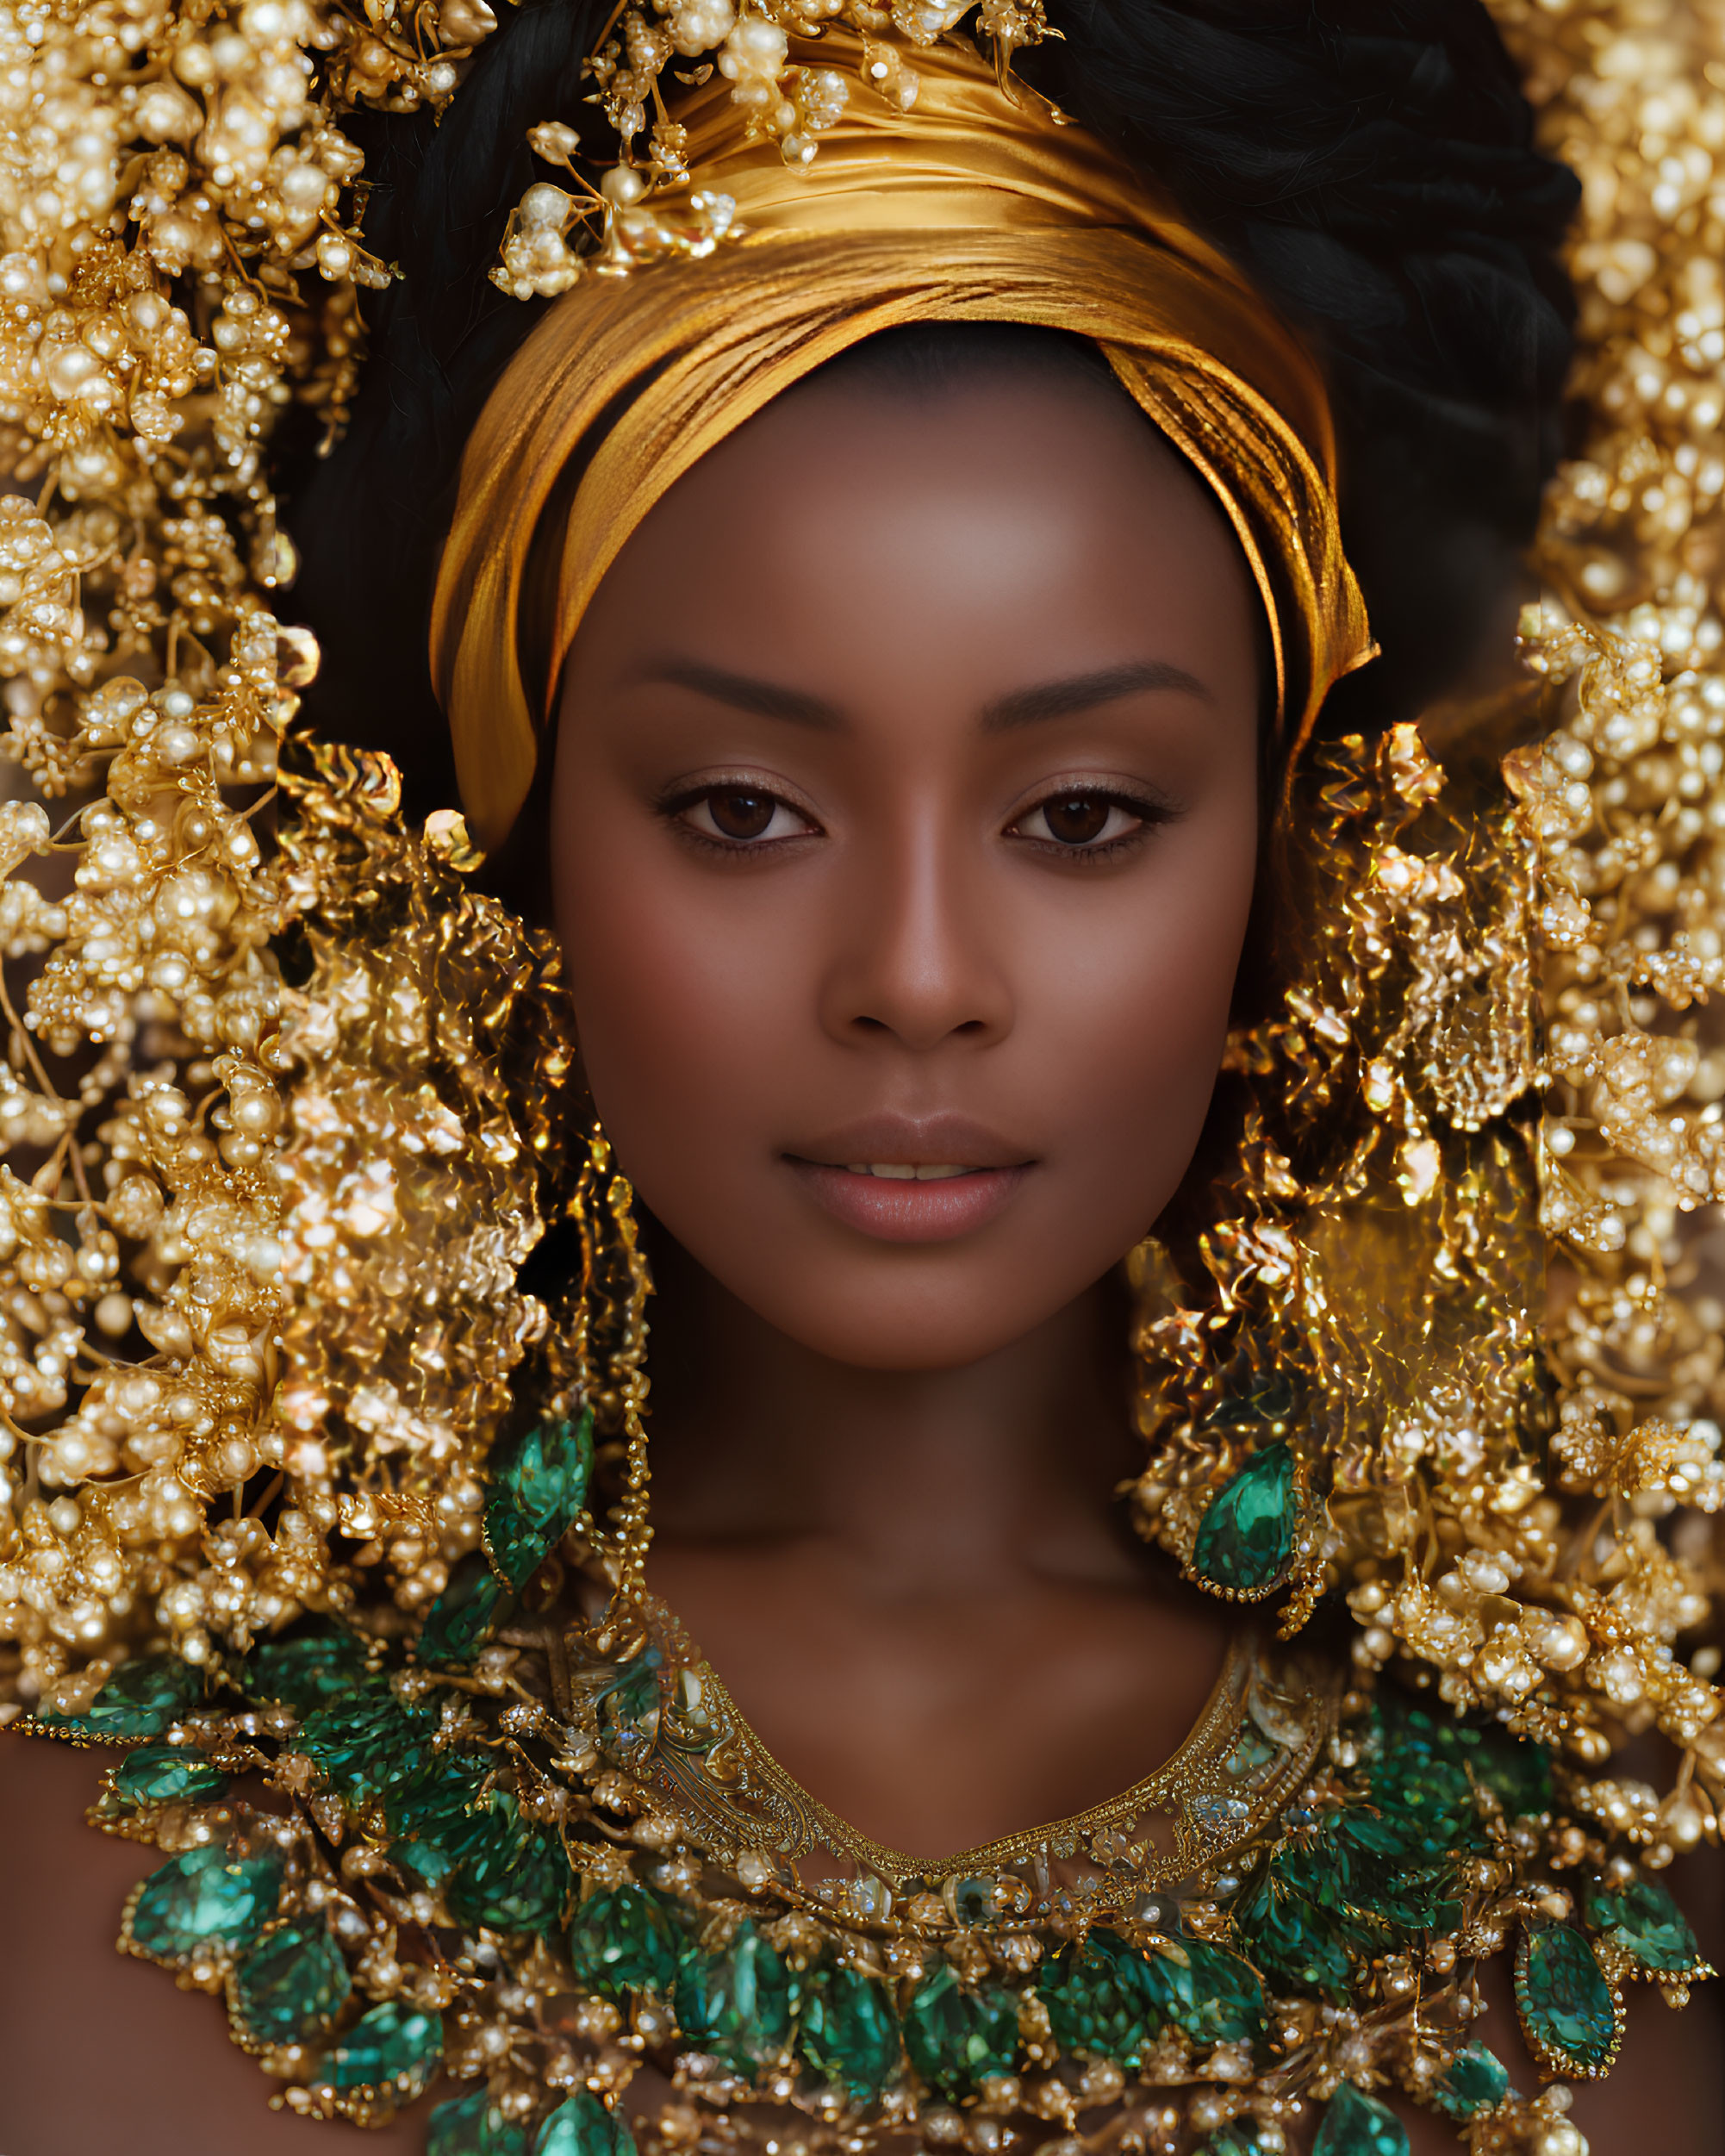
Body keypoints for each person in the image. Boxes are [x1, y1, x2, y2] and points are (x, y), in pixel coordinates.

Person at [1, 3, 1720, 2153]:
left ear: (1294, 862)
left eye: (1082, 816)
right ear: (523, 846)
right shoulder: (128, 1878)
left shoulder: (1580, 1914)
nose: (916, 981)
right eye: (738, 808)